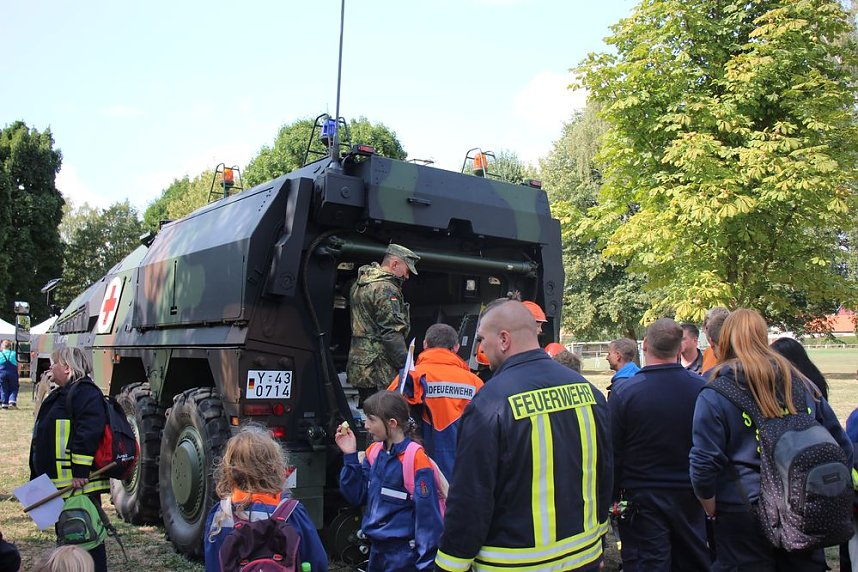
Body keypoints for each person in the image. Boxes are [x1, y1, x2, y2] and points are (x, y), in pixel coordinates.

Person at [435, 299, 612, 572]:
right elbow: (604, 473)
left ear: (504, 339)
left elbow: (471, 497)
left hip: (515, 563)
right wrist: (599, 543)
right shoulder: (590, 393)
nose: (480, 348)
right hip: (583, 556)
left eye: (483, 339)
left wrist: (449, 565)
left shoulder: (490, 403)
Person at [690, 309, 853, 571]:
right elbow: (841, 445)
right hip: (802, 505)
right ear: (763, 336)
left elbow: (702, 464)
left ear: (725, 339)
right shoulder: (800, 384)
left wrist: (710, 507)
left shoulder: (715, 392)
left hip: (742, 510)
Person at [609, 318, 710, 572]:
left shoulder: (626, 392)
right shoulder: (701, 388)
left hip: (642, 497)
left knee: (648, 563)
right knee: (691, 560)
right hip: (689, 494)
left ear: (644, 345)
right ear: (679, 349)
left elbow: (612, 450)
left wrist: (610, 497)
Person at [336, 391, 443, 571]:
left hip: (404, 556)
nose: (366, 425)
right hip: (377, 552)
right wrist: (350, 456)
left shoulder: (414, 458)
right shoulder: (374, 453)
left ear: (391, 423)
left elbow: (428, 520)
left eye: (371, 419)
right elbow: (356, 496)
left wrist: (427, 565)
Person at [204, 425, 327, 572]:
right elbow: (318, 561)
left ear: (229, 469)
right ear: (274, 466)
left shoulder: (220, 516)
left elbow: (213, 564)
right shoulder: (292, 512)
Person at [29, 347, 109, 572]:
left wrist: (80, 471)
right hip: (62, 485)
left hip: (77, 486)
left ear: (67, 367)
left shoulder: (85, 393)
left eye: (53, 362)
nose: (49, 367)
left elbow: (88, 432)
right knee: (68, 535)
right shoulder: (62, 393)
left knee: (85, 537)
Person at [387, 323, 484, 478]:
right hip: (460, 473)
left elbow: (385, 415)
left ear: (425, 344)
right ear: (457, 347)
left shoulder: (408, 378)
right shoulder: (475, 382)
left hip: (416, 470)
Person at [347, 243, 420, 405]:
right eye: (407, 270)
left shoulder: (360, 284)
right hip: (380, 369)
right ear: (394, 264)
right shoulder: (387, 289)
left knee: (371, 415)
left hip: (361, 366)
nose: (407, 276)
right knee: (385, 417)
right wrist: (406, 367)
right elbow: (391, 332)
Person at [700, 307, 730, 373]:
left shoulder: (737, 351)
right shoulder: (708, 352)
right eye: (708, 328)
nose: (712, 332)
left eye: (719, 326)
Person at [0, 339, 19, 409]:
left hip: (2, 373)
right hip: (12, 373)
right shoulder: (13, 353)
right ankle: (12, 401)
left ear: (2, 346)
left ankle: (4, 403)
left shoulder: (0, 354)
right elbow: (18, 364)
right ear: (10, 346)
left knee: (3, 388)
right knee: (14, 387)